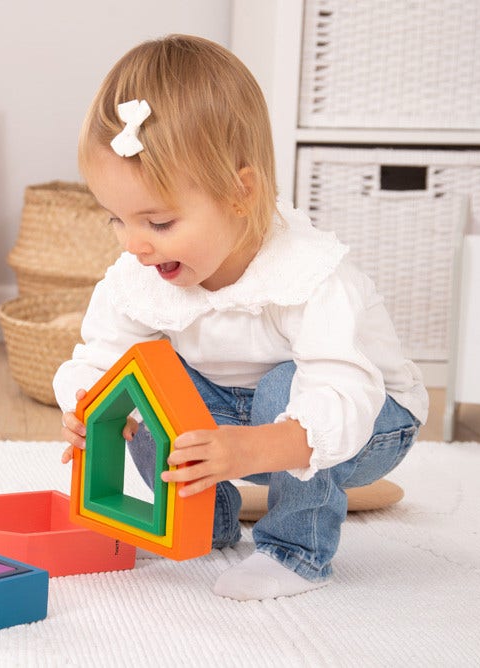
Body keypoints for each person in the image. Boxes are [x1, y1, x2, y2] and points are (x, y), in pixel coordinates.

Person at [52, 34, 428, 600]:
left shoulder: (309, 275)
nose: (135, 245)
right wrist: (90, 407)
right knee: (142, 382)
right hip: (231, 420)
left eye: (157, 223)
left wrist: (252, 451)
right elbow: (102, 357)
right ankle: (208, 521)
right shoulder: (140, 275)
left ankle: (294, 550)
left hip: (364, 420)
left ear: (238, 192)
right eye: (116, 220)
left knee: (287, 383)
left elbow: (342, 392)